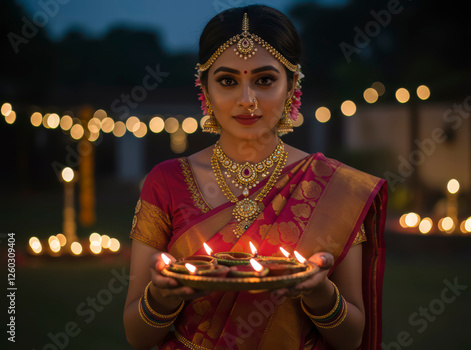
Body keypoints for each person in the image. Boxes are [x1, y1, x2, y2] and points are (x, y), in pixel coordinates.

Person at [123, 5, 387, 350]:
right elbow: (136, 336)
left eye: (264, 80)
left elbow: (352, 339)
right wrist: (161, 296)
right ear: (204, 86)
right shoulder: (167, 181)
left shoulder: (335, 187)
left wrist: (319, 292)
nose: (247, 100)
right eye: (228, 81)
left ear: (292, 84)